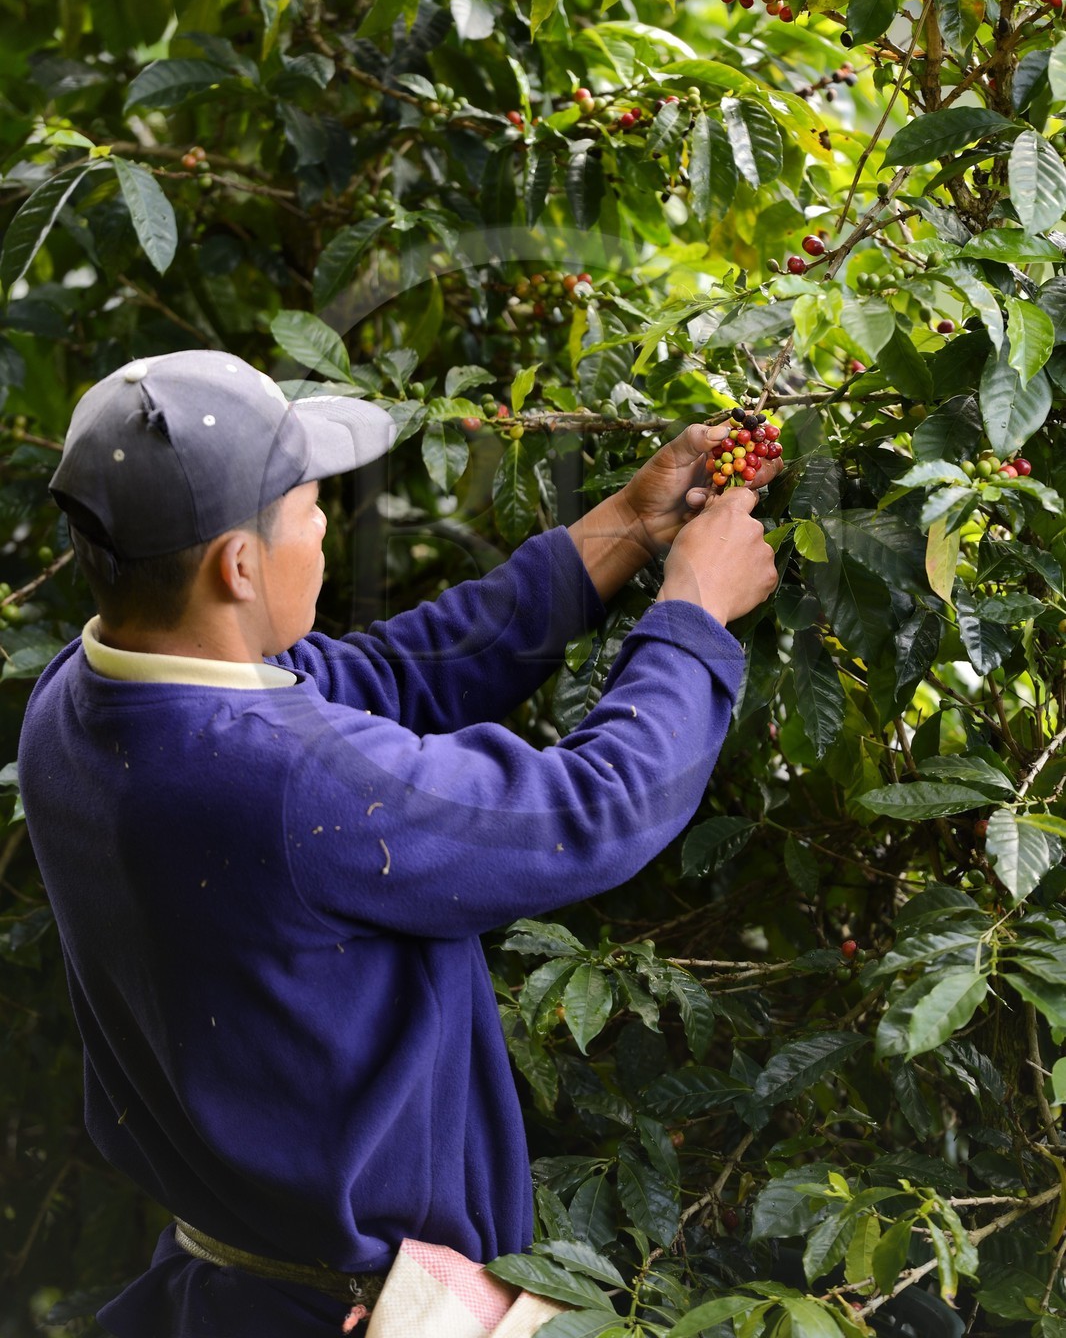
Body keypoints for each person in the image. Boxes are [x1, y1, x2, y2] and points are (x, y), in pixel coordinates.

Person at [18, 349, 779, 1338]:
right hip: (348, 1310)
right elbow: (588, 808)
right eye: (309, 507)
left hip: (224, 1283)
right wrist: (693, 614)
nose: (326, 526)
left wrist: (627, 530)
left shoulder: (81, 698)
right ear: (237, 565)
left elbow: (394, 672)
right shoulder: (286, 784)